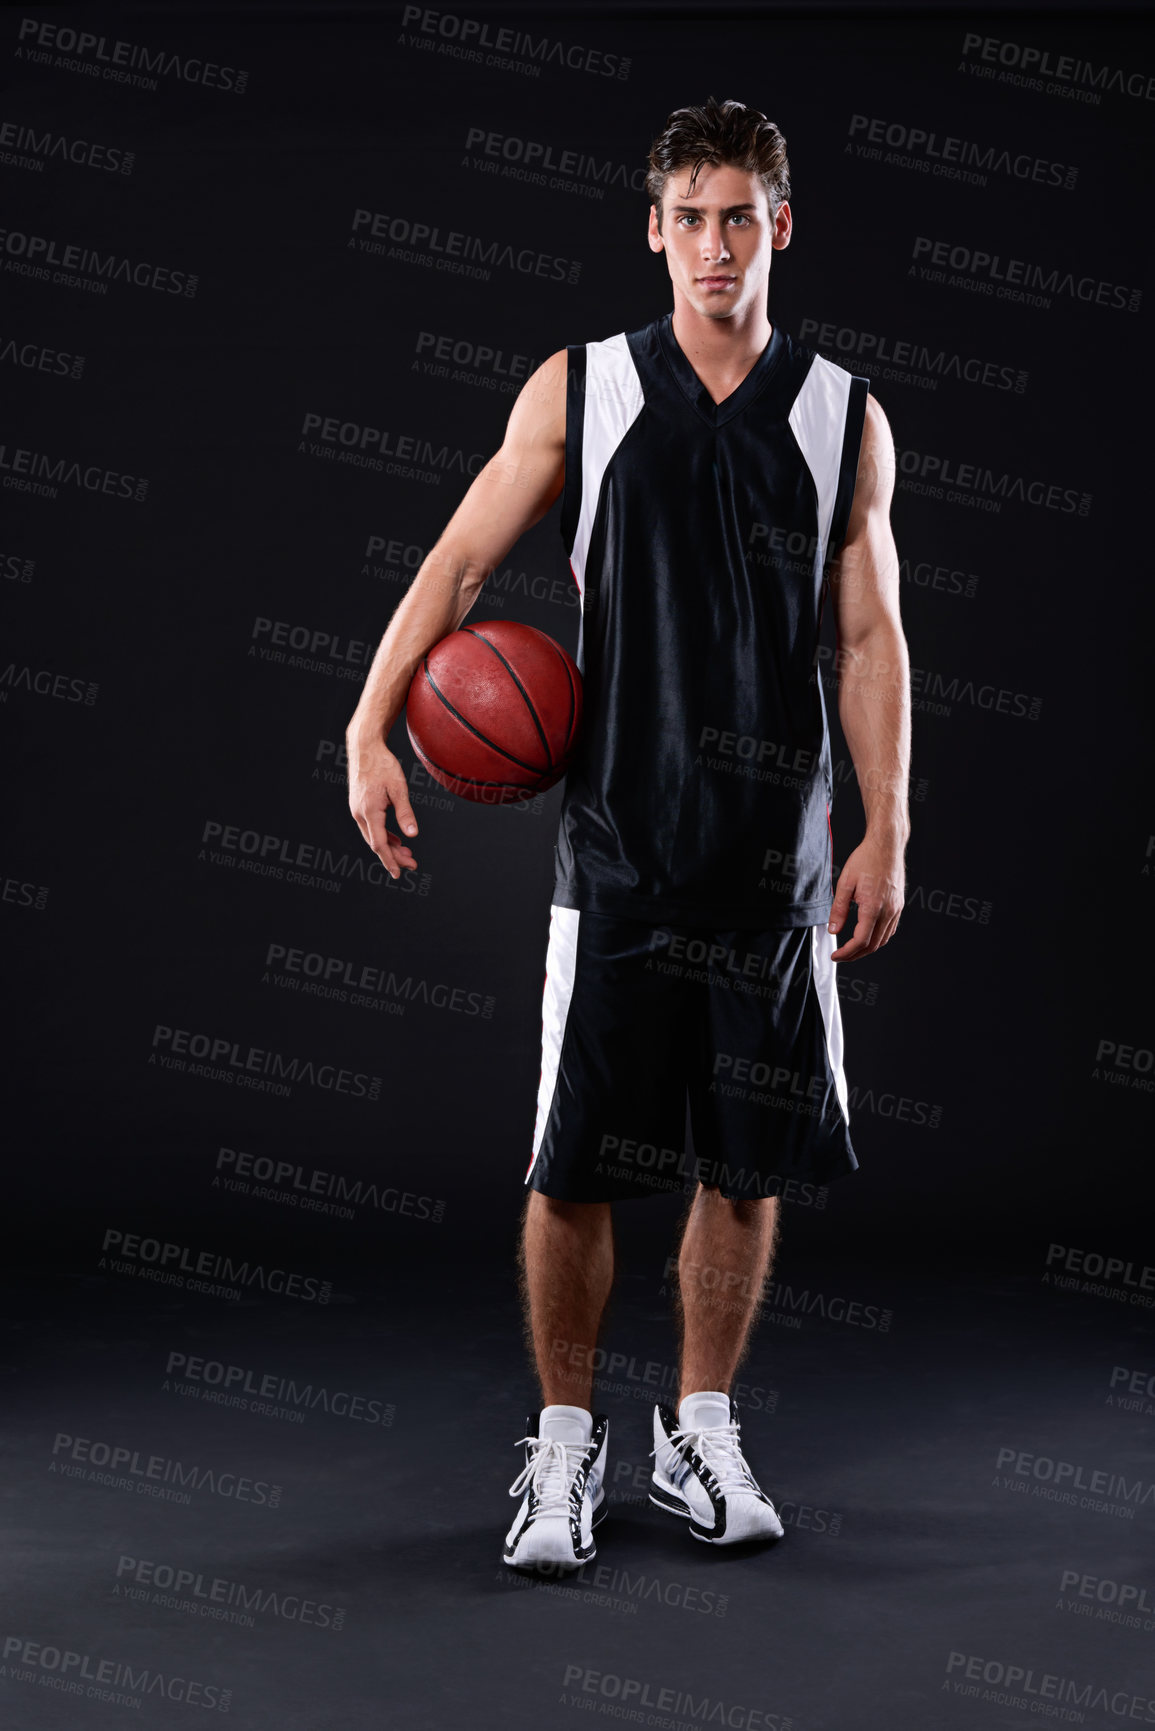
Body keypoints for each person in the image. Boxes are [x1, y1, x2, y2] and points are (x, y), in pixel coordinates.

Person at [347, 96, 910, 1573]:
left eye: (741, 217)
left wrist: (887, 827)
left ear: (781, 225)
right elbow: (465, 558)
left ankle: (702, 1434)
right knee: (578, 1165)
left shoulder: (842, 411)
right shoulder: (582, 389)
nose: (715, 246)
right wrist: (367, 724)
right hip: (616, 855)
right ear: (652, 229)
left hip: (771, 862)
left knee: (744, 1167)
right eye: (689, 217)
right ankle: (564, 1449)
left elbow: (868, 637)